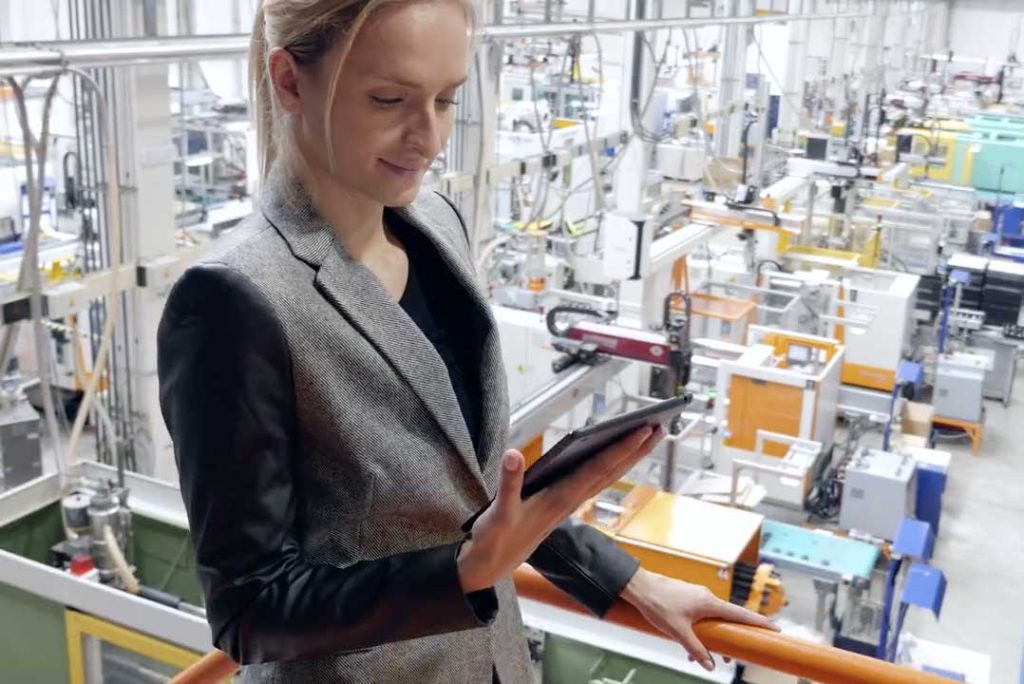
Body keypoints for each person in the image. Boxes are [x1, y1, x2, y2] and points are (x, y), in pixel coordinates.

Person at [156, 1, 778, 681]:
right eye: (389, 98)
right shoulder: (232, 299)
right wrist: (460, 573)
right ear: (289, 80)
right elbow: (249, 610)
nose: (427, 136)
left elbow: (469, 489)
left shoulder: (437, 224)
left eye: (447, 100)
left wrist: (626, 582)